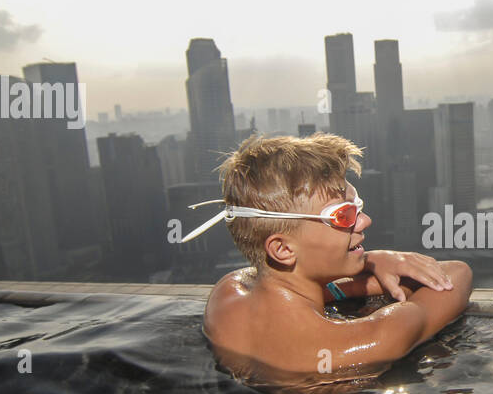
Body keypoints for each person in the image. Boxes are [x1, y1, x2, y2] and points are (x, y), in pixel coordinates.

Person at [183, 133, 472, 379]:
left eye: (357, 206)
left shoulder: (225, 299)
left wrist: (367, 264)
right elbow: (455, 275)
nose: (365, 221)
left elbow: (267, 281)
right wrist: (370, 266)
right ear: (282, 249)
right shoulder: (366, 341)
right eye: (343, 215)